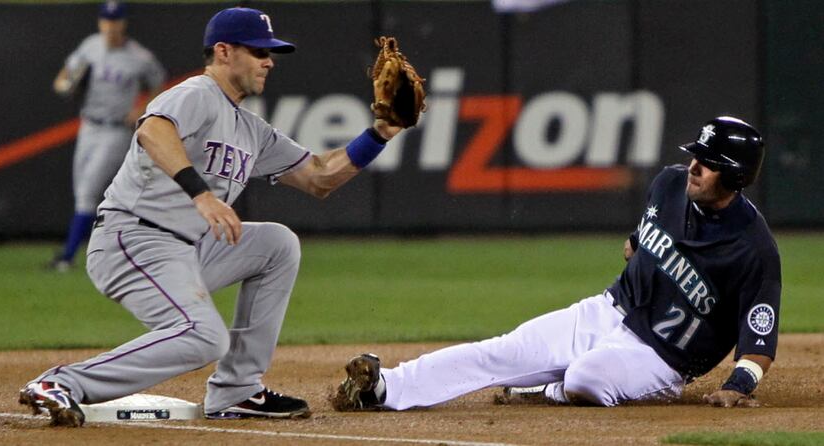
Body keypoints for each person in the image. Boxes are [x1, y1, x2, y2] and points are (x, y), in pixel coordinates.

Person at [20, 6, 403, 427]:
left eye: (270, 53)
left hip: (186, 247)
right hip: (132, 238)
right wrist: (200, 194)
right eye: (258, 51)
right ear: (223, 51)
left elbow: (319, 177)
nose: (269, 61)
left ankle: (238, 391)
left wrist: (380, 134)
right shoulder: (196, 93)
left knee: (277, 244)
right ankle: (61, 383)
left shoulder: (250, 128)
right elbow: (152, 131)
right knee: (203, 337)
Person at [331, 116, 781, 412]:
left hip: (660, 359)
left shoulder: (753, 249)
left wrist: (739, 385)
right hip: (604, 311)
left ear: (737, 177)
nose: (694, 166)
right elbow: (640, 242)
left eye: (709, 162)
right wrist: (637, 246)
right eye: (695, 156)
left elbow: (760, 335)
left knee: (587, 377)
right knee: (501, 350)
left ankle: (550, 387)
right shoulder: (668, 185)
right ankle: (384, 387)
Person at [49, 1, 166, 272]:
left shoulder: (139, 56)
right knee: (81, 190)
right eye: (106, 20)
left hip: (116, 130)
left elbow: (159, 82)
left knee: (89, 189)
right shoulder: (90, 45)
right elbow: (64, 77)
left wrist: (142, 108)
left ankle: (67, 257)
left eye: (115, 20)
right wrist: (65, 85)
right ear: (100, 22)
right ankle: (94, 251)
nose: (110, 26)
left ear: (123, 23)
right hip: (89, 125)